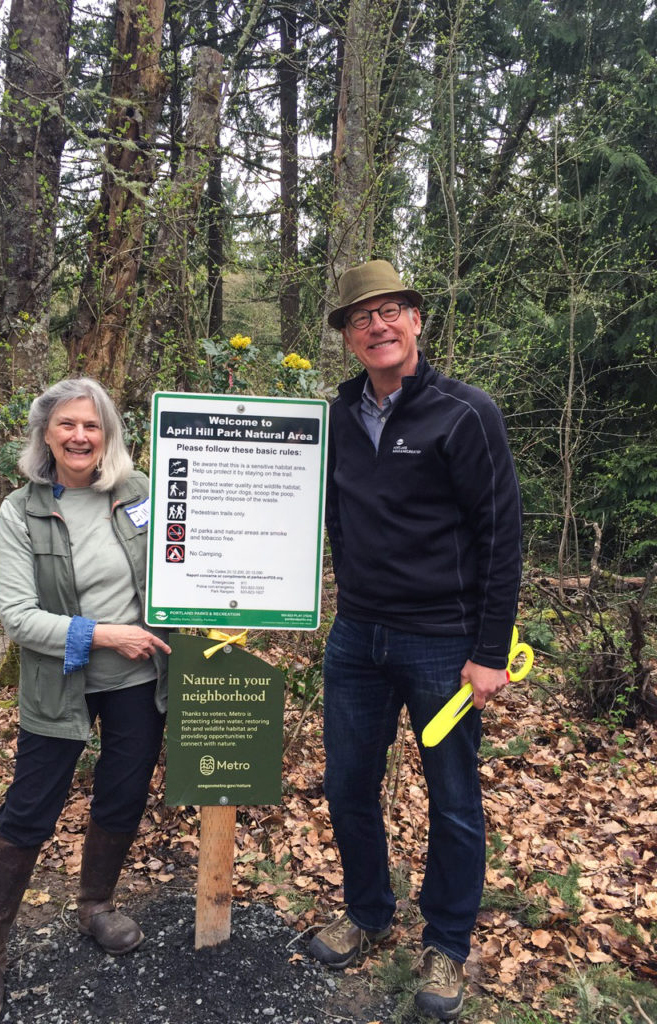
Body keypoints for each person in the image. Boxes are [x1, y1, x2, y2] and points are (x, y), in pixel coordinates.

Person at [309, 261, 522, 1020]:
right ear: (347, 337)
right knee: (345, 787)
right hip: (357, 637)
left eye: (392, 310)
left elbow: (502, 537)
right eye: (362, 317)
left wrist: (490, 651)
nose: (378, 325)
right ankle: (367, 913)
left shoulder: (465, 415)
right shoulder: (332, 420)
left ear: (417, 321)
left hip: (443, 643)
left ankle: (447, 944)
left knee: (455, 799)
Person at [0, 378, 172, 1024]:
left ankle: (95, 905)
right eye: (67, 425)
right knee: (29, 810)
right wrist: (104, 634)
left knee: (124, 795)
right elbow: (19, 619)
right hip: (60, 683)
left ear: (108, 434)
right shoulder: (20, 513)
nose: (80, 436)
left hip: (139, 683)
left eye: (93, 425)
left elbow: (184, 565)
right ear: (45, 435)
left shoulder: (139, 494)